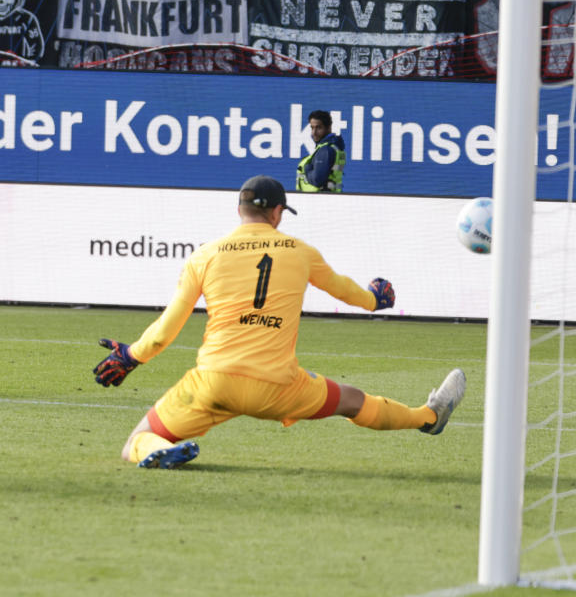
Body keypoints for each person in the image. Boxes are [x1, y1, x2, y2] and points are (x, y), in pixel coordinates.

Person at [93, 175, 466, 469]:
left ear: (239, 210)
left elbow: (166, 329)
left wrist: (130, 357)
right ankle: (428, 417)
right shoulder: (301, 253)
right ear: (277, 213)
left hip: (213, 382)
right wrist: (376, 298)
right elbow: (349, 293)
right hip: (279, 386)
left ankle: (157, 449)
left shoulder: (204, 256)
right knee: (351, 400)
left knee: (134, 443)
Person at [296, 110, 346, 193]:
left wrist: (307, 167)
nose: (314, 133)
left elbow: (317, 180)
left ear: (329, 127)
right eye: (312, 128)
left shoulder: (325, 150)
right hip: (328, 197)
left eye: (318, 127)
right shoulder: (332, 147)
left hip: (320, 199)